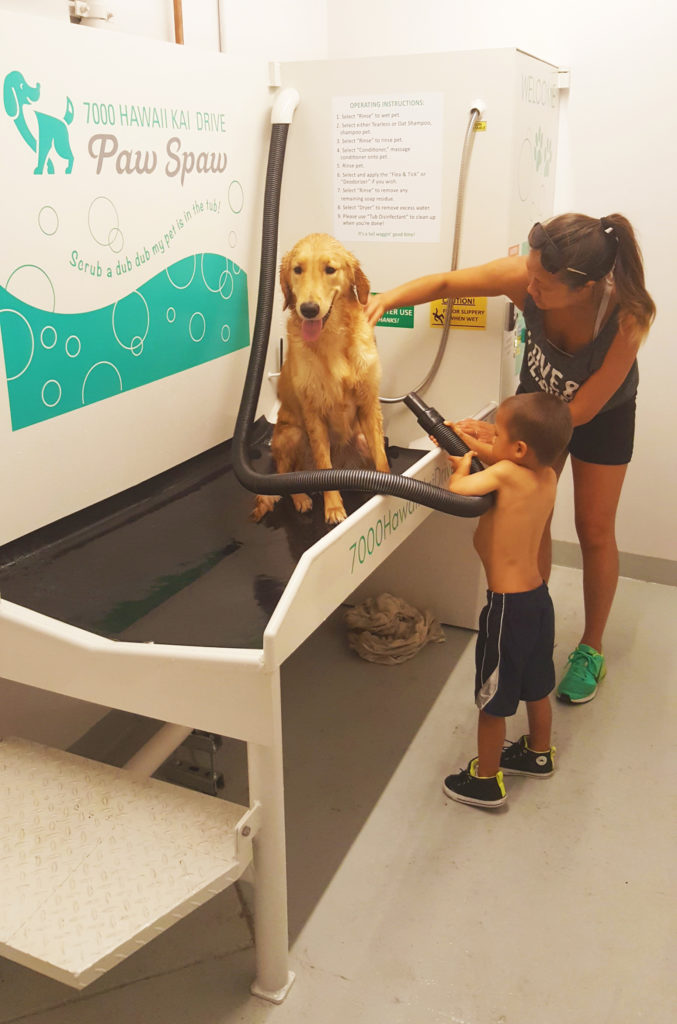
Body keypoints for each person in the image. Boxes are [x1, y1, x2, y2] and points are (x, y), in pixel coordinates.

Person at [366, 213, 655, 704]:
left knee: (595, 528)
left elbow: (577, 413)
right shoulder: (529, 275)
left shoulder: (626, 318)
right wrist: (385, 299)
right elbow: (444, 283)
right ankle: (533, 620)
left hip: (597, 416)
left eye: (543, 286)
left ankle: (591, 648)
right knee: (528, 518)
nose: (530, 288)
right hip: (534, 404)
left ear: (584, 288)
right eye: (531, 276)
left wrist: (499, 438)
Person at [432, 391, 572, 807]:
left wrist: (459, 463)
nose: (491, 440)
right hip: (537, 600)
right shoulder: (545, 474)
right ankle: (538, 753)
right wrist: (470, 442)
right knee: (536, 684)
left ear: (518, 448)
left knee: (492, 699)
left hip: (506, 609)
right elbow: (502, 458)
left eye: (499, 433)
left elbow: (461, 488)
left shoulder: (506, 473)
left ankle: (486, 780)